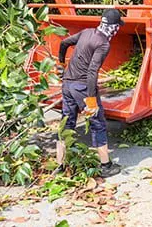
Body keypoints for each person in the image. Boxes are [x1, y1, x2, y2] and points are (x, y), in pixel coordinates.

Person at [56, 9, 124, 178]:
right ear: (113, 27)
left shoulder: (86, 32)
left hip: (67, 84)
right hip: (82, 87)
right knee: (97, 123)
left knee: (66, 124)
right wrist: (92, 99)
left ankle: (60, 166)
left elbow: (64, 43)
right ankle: (105, 166)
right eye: (117, 27)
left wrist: (62, 63)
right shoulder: (103, 43)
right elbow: (92, 72)